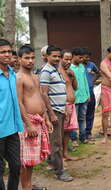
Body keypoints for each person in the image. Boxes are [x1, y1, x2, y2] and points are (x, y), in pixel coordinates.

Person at [16, 45, 53, 190]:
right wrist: (28, 124)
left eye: (32, 57)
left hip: (39, 120)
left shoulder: (35, 76)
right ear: (19, 59)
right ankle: (26, 187)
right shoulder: (19, 78)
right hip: (27, 123)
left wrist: (47, 118)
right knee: (25, 160)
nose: (30, 61)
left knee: (32, 159)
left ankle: (29, 186)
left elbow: (40, 98)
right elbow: (19, 102)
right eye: (26, 58)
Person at [40, 45, 73, 182]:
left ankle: (53, 164)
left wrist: (65, 107)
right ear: (47, 57)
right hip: (54, 112)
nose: (57, 58)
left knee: (55, 141)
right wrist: (51, 114)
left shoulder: (57, 69)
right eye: (54, 56)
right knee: (56, 143)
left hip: (60, 110)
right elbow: (43, 94)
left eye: (58, 56)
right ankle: (60, 172)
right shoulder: (46, 71)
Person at [0, 39, 24, 190]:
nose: (7, 54)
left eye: (9, 51)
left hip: (13, 129)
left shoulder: (13, 74)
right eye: (3, 52)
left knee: (16, 166)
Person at [60, 50, 78, 160]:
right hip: (63, 105)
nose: (68, 61)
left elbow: (75, 87)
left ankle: (65, 153)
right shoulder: (58, 71)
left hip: (71, 104)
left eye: (70, 59)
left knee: (67, 131)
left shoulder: (70, 71)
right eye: (66, 59)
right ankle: (58, 157)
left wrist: (73, 76)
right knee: (60, 132)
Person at [70, 48, 90, 146]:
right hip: (74, 98)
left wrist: (88, 94)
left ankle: (83, 137)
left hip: (84, 97)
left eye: (82, 57)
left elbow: (85, 81)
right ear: (73, 56)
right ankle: (73, 139)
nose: (82, 59)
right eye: (80, 57)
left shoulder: (82, 67)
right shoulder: (69, 67)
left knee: (82, 118)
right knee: (73, 119)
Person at [82, 48, 100, 141]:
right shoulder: (78, 66)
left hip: (90, 91)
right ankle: (81, 133)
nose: (87, 59)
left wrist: (92, 81)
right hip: (81, 93)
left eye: (88, 57)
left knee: (90, 112)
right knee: (81, 114)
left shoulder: (91, 65)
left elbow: (98, 73)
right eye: (85, 57)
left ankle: (88, 132)